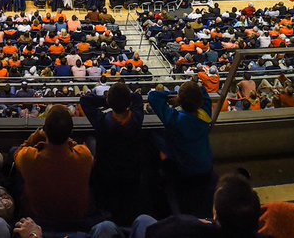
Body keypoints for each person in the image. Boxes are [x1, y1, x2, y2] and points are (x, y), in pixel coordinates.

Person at [13, 105, 94, 228]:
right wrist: (68, 139)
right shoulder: (85, 155)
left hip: (38, 219)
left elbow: (17, 153)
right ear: (70, 132)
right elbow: (78, 149)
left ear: (45, 130)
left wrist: (36, 136)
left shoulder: (28, 157)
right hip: (76, 220)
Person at [80, 82, 147, 222]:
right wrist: (121, 99)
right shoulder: (136, 119)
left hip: (106, 174)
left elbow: (85, 100)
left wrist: (108, 101)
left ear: (109, 101)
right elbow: (137, 98)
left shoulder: (102, 121)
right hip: (131, 173)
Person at [148, 81, 214, 214]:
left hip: (185, 172)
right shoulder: (206, 114)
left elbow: (153, 96)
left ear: (180, 100)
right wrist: (183, 96)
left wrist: (175, 96)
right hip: (206, 169)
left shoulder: (175, 119)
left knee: (153, 137)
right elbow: (203, 92)